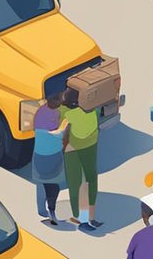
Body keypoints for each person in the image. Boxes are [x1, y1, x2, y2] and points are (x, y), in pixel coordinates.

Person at [60, 88, 102, 232]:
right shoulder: (92, 110)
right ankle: (91, 217)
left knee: (75, 182)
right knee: (91, 180)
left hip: (73, 149)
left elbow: (58, 126)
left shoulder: (65, 112)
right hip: (91, 145)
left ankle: (79, 217)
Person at [32, 92, 67, 225]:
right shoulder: (49, 114)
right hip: (49, 155)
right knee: (52, 186)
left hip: (41, 153)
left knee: (41, 183)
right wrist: (63, 128)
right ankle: (50, 212)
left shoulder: (42, 111)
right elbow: (53, 135)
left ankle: (42, 210)